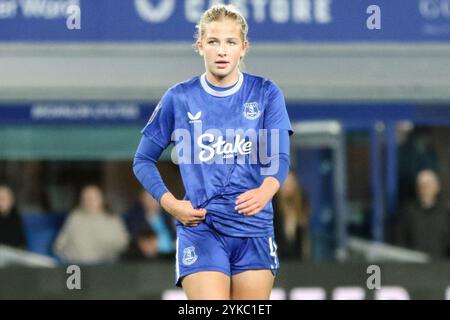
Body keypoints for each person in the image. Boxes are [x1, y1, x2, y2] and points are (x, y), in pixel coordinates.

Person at [133, 5, 292, 300]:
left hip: (253, 228)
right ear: (200, 46)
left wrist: (266, 190)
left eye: (230, 42)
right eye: (213, 42)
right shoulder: (179, 97)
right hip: (201, 227)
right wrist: (170, 204)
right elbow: (142, 160)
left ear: (243, 48)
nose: (222, 51)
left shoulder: (266, 93)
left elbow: (279, 157)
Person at [53, 185, 129, 265]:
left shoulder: (113, 219)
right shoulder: (74, 217)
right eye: (85, 198)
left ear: (102, 199)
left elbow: (123, 244)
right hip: (74, 266)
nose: (89, 201)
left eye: (93, 198)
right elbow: (59, 245)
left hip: (104, 267)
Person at [397, 169, 450, 259]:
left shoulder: (445, 213)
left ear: (437, 187)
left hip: (441, 267)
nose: (425, 187)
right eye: (422, 184)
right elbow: (399, 241)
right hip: (412, 267)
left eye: (428, 184)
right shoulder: (407, 212)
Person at [123, 190, 175, 255]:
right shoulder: (133, 218)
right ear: (142, 199)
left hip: (171, 257)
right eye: (149, 198)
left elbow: (174, 236)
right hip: (147, 259)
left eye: (155, 198)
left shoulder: (167, 217)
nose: (152, 201)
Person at [273, 171, 310, 260]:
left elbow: (304, 237)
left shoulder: (301, 205)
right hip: (278, 258)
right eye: (285, 184)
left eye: (290, 184)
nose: (287, 188)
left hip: (298, 259)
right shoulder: (273, 207)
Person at [0, 185, 27, 249]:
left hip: (13, 254)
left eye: (3, 199)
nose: (1, 202)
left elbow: (21, 243)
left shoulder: (16, 217)